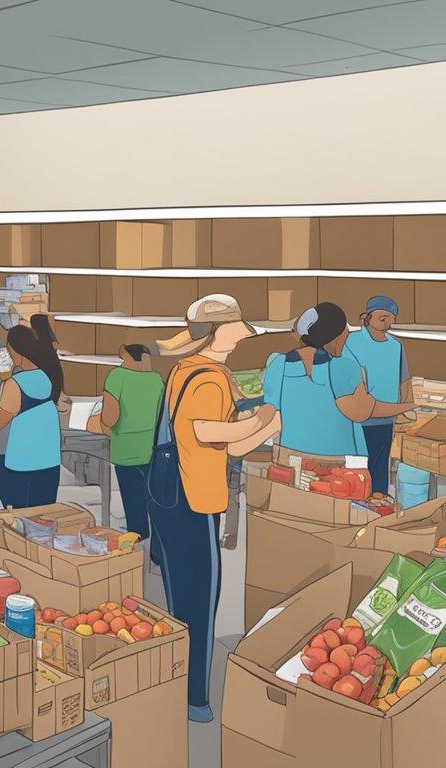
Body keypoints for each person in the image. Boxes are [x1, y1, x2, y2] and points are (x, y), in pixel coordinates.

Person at [155, 294, 281, 722]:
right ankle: (194, 698)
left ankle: (176, 683)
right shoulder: (209, 377)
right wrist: (259, 420)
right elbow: (209, 432)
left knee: (181, 599)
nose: (240, 336)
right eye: (236, 328)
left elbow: (229, 448)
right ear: (219, 331)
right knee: (198, 603)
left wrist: (264, 426)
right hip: (194, 498)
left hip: (176, 494)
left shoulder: (184, 370)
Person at [264, 303, 410, 459]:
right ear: (334, 337)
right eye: (345, 334)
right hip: (338, 465)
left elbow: (270, 412)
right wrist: (408, 407)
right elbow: (364, 411)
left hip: (290, 458)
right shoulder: (342, 367)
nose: (346, 338)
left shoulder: (277, 363)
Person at [89, 343, 165, 566]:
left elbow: (110, 417)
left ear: (133, 358)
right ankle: (158, 554)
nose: (122, 363)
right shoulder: (157, 380)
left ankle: (137, 555)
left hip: (127, 451)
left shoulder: (117, 376)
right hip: (153, 450)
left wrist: (103, 426)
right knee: (155, 503)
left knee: (135, 508)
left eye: (124, 358)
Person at [344, 296, 415, 494]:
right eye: (382, 317)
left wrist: (407, 411)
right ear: (367, 317)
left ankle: (379, 505)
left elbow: (404, 380)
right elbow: (347, 376)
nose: (387, 322)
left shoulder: (396, 346)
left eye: (391, 318)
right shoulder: (352, 341)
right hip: (358, 418)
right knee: (357, 469)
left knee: (380, 468)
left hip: (386, 417)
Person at [0, 314, 64, 507]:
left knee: (21, 520)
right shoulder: (45, 377)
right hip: (49, 462)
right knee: (43, 517)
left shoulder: (15, 385)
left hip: (22, 464)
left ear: (17, 351)